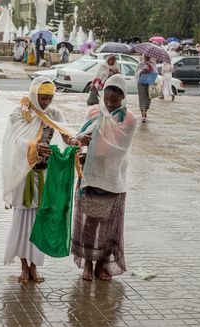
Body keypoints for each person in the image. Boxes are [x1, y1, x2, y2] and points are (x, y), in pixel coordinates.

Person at [2, 77, 78, 284]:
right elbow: (15, 140)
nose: (45, 103)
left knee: (39, 221)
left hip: (44, 174)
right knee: (23, 222)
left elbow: (64, 133)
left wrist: (73, 140)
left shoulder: (52, 114)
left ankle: (34, 267)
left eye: (49, 98)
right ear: (35, 94)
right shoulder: (20, 113)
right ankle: (23, 267)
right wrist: (34, 146)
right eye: (42, 98)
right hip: (24, 174)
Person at [72, 74, 137, 281]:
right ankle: (88, 265)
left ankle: (102, 265)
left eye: (114, 101)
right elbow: (81, 138)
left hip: (113, 179)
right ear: (102, 96)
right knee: (89, 224)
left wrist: (95, 145)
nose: (109, 104)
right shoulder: (92, 112)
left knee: (108, 226)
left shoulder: (129, 119)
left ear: (123, 99)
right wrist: (82, 143)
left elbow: (119, 148)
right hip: (91, 176)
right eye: (107, 99)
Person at [136, 55, 157, 123]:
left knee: (148, 99)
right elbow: (136, 73)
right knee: (142, 99)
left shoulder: (153, 65)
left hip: (150, 84)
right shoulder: (140, 64)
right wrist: (142, 71)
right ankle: (143, 116)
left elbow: (156, 74)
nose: (147, 57)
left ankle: (145, 111)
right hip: (141, 83)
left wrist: (150, 71)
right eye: (145, 56)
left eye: (148, 56)